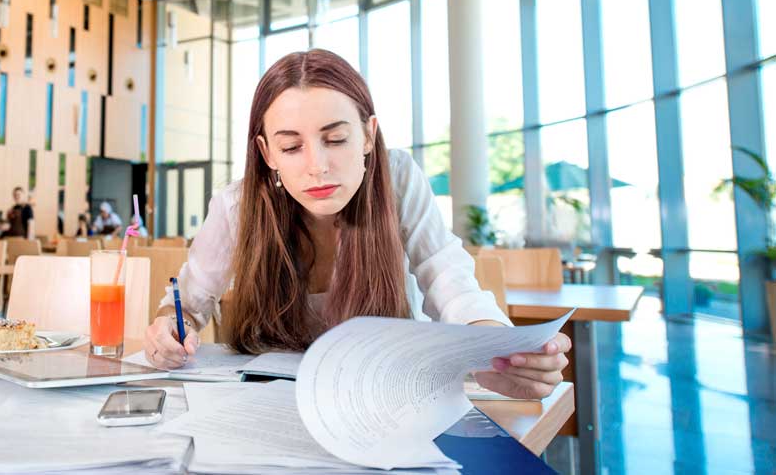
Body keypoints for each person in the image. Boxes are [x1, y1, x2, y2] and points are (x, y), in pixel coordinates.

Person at [143, 50, 570, 401]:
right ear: (267, 152)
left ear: (368, 135)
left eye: (336, 139)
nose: (317, 167)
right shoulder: (237, 205)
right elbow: (189, 304)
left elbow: (448, 279)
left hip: (386, 399)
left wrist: (497, 352)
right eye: (291, 146)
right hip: (271, 405)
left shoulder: (398, 176)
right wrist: (168, 329)